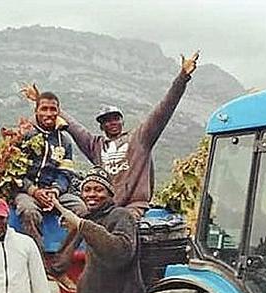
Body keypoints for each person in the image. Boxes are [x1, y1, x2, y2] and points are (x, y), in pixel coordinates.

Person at [39, 52, 199, 218]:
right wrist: (43, 103)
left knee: (121, 223)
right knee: (81, 225)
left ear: (122, 121)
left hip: (132, 207)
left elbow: (163, 110)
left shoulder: (140, 138)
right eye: (106, 121)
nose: (112, 123)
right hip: (104, 207)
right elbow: (74, 127)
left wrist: (182, 78)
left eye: (115, 119)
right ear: (101, 126)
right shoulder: (95, 146)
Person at [15, 91, 87, 255]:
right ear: (36, 111)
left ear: (58, 111)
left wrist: (55, 190)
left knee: (82, 210)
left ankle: (63, 257)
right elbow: (13, 173)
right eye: (44, 109)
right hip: (27, 191)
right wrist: (34, 191)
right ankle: (39, 261)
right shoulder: (23, 136)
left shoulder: (65, 141)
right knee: (28, 211)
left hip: (54, 193)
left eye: (53, 109)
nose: (49, 113)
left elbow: (65, 173)